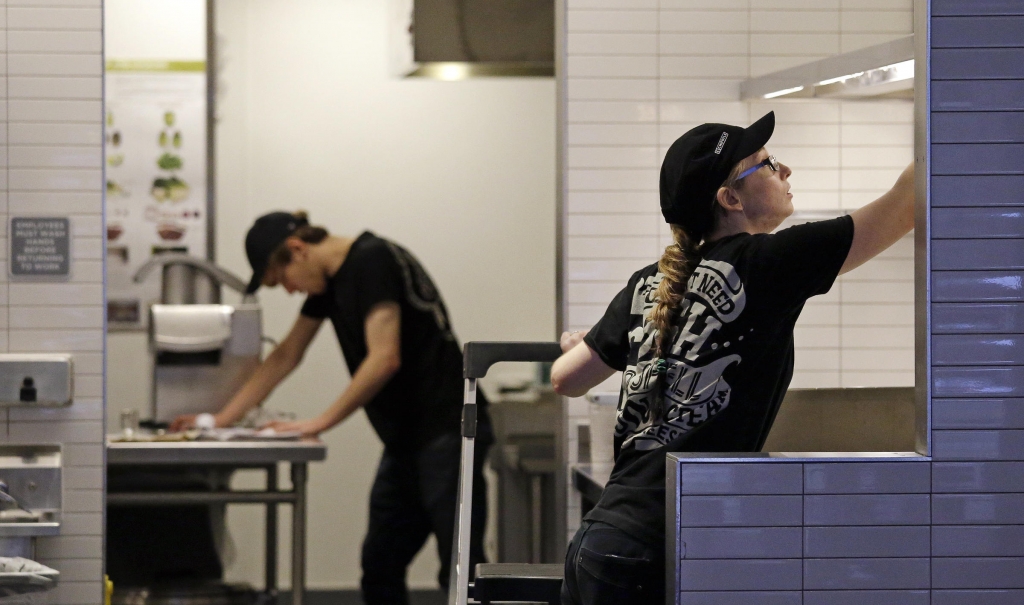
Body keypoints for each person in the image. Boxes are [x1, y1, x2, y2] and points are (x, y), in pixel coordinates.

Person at [550, 111, 915, 605]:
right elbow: (908, 202)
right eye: (768, 165)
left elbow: (566, 380)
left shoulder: (646, 284)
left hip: (601, 542)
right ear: (730, 198)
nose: (785, 173)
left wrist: (583, 345)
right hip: (653, 553)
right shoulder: (770, 263)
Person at [171, 211, 492, 605]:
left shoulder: (372, 261)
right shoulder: (329, 281)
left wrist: (319, 421)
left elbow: (384, 357)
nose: (290, 291)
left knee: (461, 569)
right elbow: (286, 354)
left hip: (449, 431)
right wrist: (219, 420)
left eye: (283, 279)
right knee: (380, 567)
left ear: (298, 250)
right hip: (405, 439)